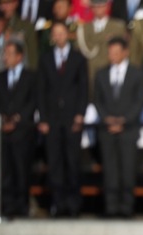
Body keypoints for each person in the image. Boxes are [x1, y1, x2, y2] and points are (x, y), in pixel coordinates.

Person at [37, 21, 88, 217]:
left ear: (68, 34)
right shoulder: (45, 59)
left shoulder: (78, 58)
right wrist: (42, 117)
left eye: (61, 33)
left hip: (72, 118)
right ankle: (57, 203)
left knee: (72, 162)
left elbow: (83, 87)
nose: (58, 36)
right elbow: (41, 90)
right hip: (51, 119)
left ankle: (74, 204)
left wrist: (80, 114)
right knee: (55, 162)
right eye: (55, 33)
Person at [93, 36, 143, 217]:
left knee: (127, 169)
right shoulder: (101, 74)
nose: (112, 56)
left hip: (128, 130)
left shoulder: (136, 73)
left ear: (125, 52)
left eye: (116, 52)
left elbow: (139, 101)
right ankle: (111, 207)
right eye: (110, 52)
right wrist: (107, 119)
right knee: (110, 170)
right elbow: (97, 100)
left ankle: (126, 207)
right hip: (106, 130)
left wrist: (124, 121)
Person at [0, 41, 37, 217]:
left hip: (22, 132)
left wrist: (18, 119)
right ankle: (6, 206)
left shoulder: (30, 77)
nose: (5, 57)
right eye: (4, 53)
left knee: (21, 170)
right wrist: (2, 118)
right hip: (2, 132)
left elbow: (32, 101)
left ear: (19, 56)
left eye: (9, 53)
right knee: (5, 171)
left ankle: (22, 206)